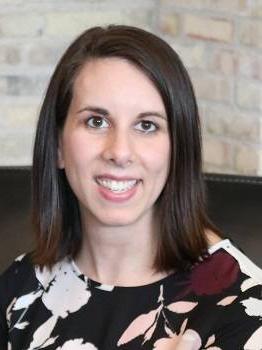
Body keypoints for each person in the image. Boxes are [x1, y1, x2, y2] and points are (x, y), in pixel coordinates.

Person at [0, 25, 261, 350]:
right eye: (96, 121)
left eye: (146, 125)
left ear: (178, 150)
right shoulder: (20, 290)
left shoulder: (243, 312)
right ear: (57, 145)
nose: (120, 152)